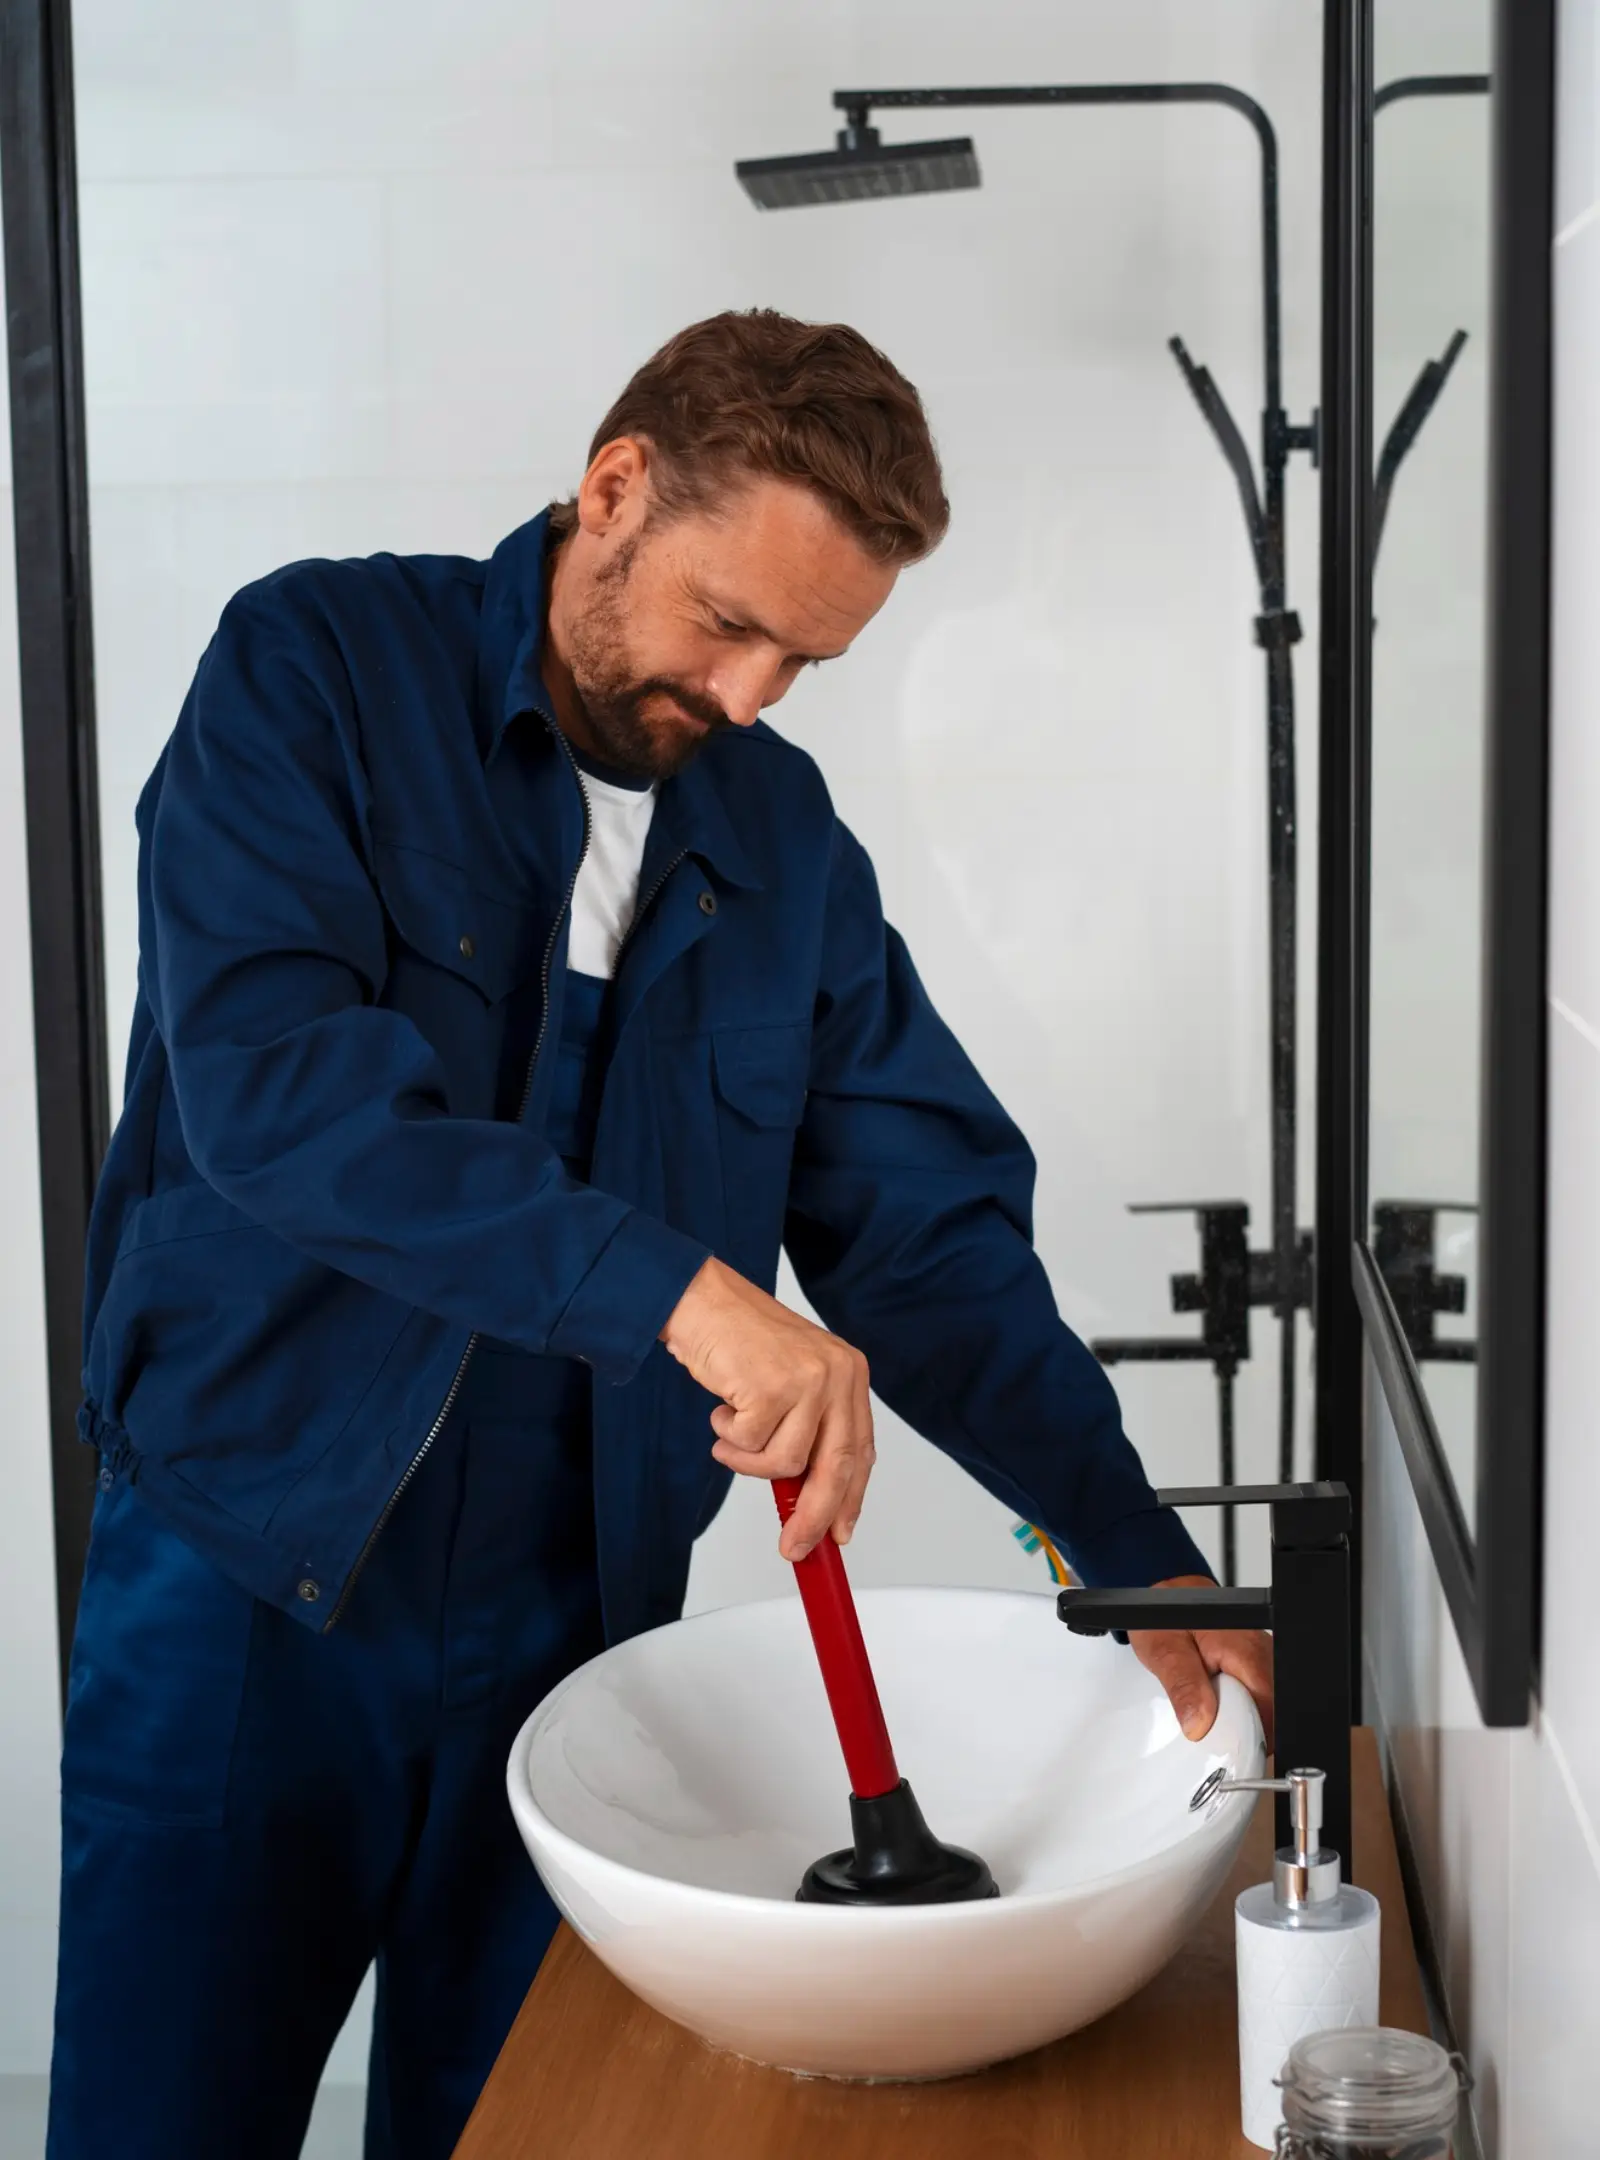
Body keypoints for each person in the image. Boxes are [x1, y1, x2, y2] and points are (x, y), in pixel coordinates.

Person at [49, 308, 1273, 2159]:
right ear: (613, 489)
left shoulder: (780, 841)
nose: (758, 694)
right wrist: (692, 1299)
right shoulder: (313, 672)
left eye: (810, 657)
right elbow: (286, 1101)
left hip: (580, 1629)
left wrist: (1131, 1552)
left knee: (527, 2132)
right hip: (245, 1586)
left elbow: (924, 1241)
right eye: (732, 622)